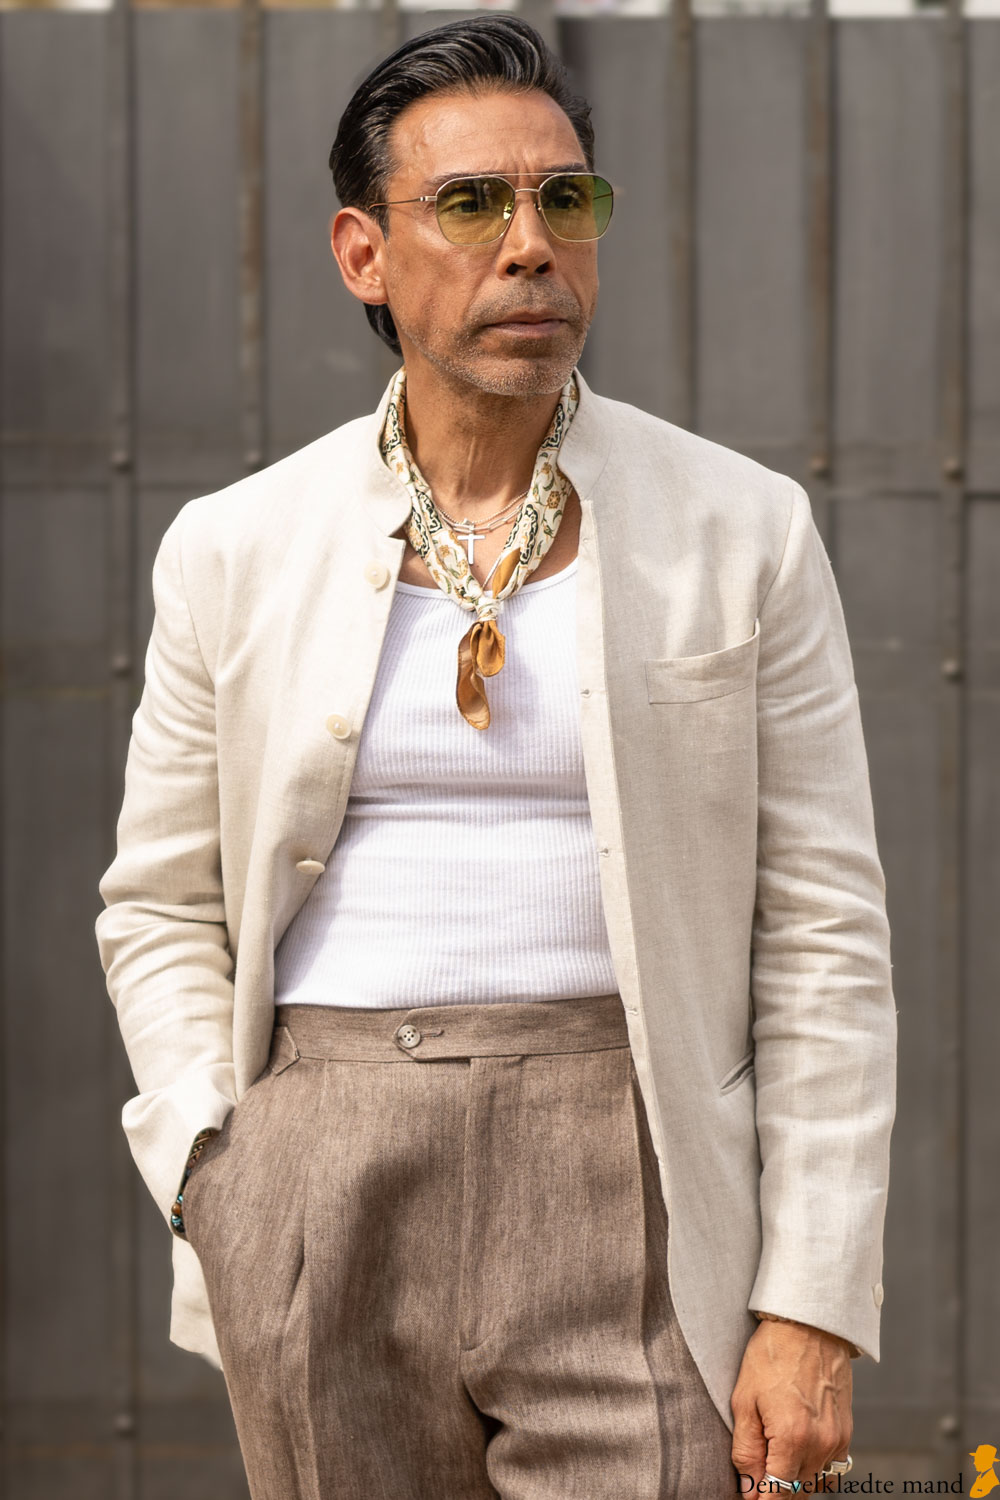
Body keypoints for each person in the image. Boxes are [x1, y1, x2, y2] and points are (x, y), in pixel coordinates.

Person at [95, 16, 896, 1500]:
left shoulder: (742, 530)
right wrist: (216, 1169)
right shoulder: (234, 547)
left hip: (636, 1167)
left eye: (564, 200)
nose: (531, 245)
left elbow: (824, 931)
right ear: (363, 253)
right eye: (469, 204)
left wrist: (812, 1299)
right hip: (321, 1169)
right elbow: (158, 902)